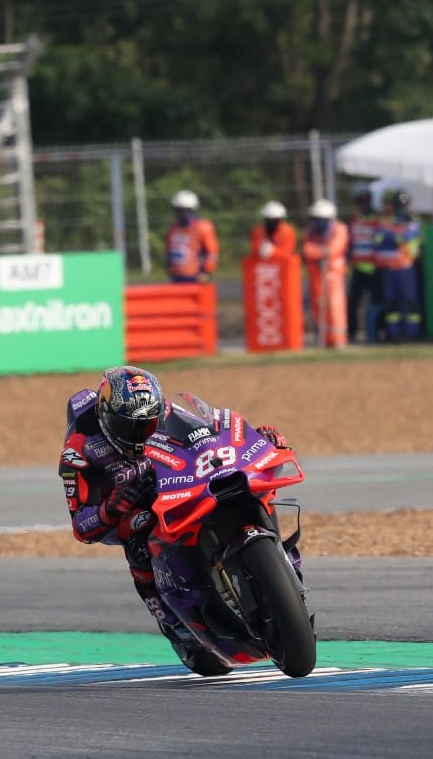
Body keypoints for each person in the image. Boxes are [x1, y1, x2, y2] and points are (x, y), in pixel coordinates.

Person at [58, 366, 290, 669]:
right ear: (108, 418)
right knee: (138, 542)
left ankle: (279, 557)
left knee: (246, 485)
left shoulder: (163, 410)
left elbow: (209, 434)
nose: (141, 433)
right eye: (132, 427)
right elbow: (81, 527)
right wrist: (111, 508)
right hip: (119, 505)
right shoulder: (78, 451)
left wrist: (256, 440)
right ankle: (173, 623)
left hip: (171, 478)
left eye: (149, 424)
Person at [374, 190, 423, 341]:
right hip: (390, 268)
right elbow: (377, 239)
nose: (401, 207)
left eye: (403, 204)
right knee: (390, 302)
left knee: (410, 301)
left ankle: (413, 332)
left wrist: (392, 234)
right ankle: (393, 333)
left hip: (406, 267)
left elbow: (404, 238)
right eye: (398, 204)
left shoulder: (413, 221)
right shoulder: (387, 221)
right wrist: (391, 233)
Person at [302, 199, 350, 348]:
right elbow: (307, 250)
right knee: (318, 306)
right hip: (316, 274)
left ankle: (338, 339)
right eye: (316, 219)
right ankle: (322, 338)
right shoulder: (311, 232)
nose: (318, 222)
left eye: (321, 219)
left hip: (333, 275)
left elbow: (335, 249)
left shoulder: (339, 229)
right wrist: (321, 253)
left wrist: (321, 253)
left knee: (334, 306)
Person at [346, 183, 381, 343]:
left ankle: (378, 332)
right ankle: (352, 333)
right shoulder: (353, 220)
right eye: (359, 200)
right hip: (359, 268)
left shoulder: (379, 220)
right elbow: (349, 242)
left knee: (377, 302)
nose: (363, 203)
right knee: (353, 303)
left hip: (376, 268)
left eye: (365, 199)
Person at [165, 190, 219, 283]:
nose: (181, 213)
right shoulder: (174, 228)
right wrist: (169, 267)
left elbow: (212, 252)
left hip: (196, 276)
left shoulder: (203, 227)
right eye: (178, 210)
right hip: (176, 275)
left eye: (184, 210)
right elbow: (169, 250)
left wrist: (206, 272)